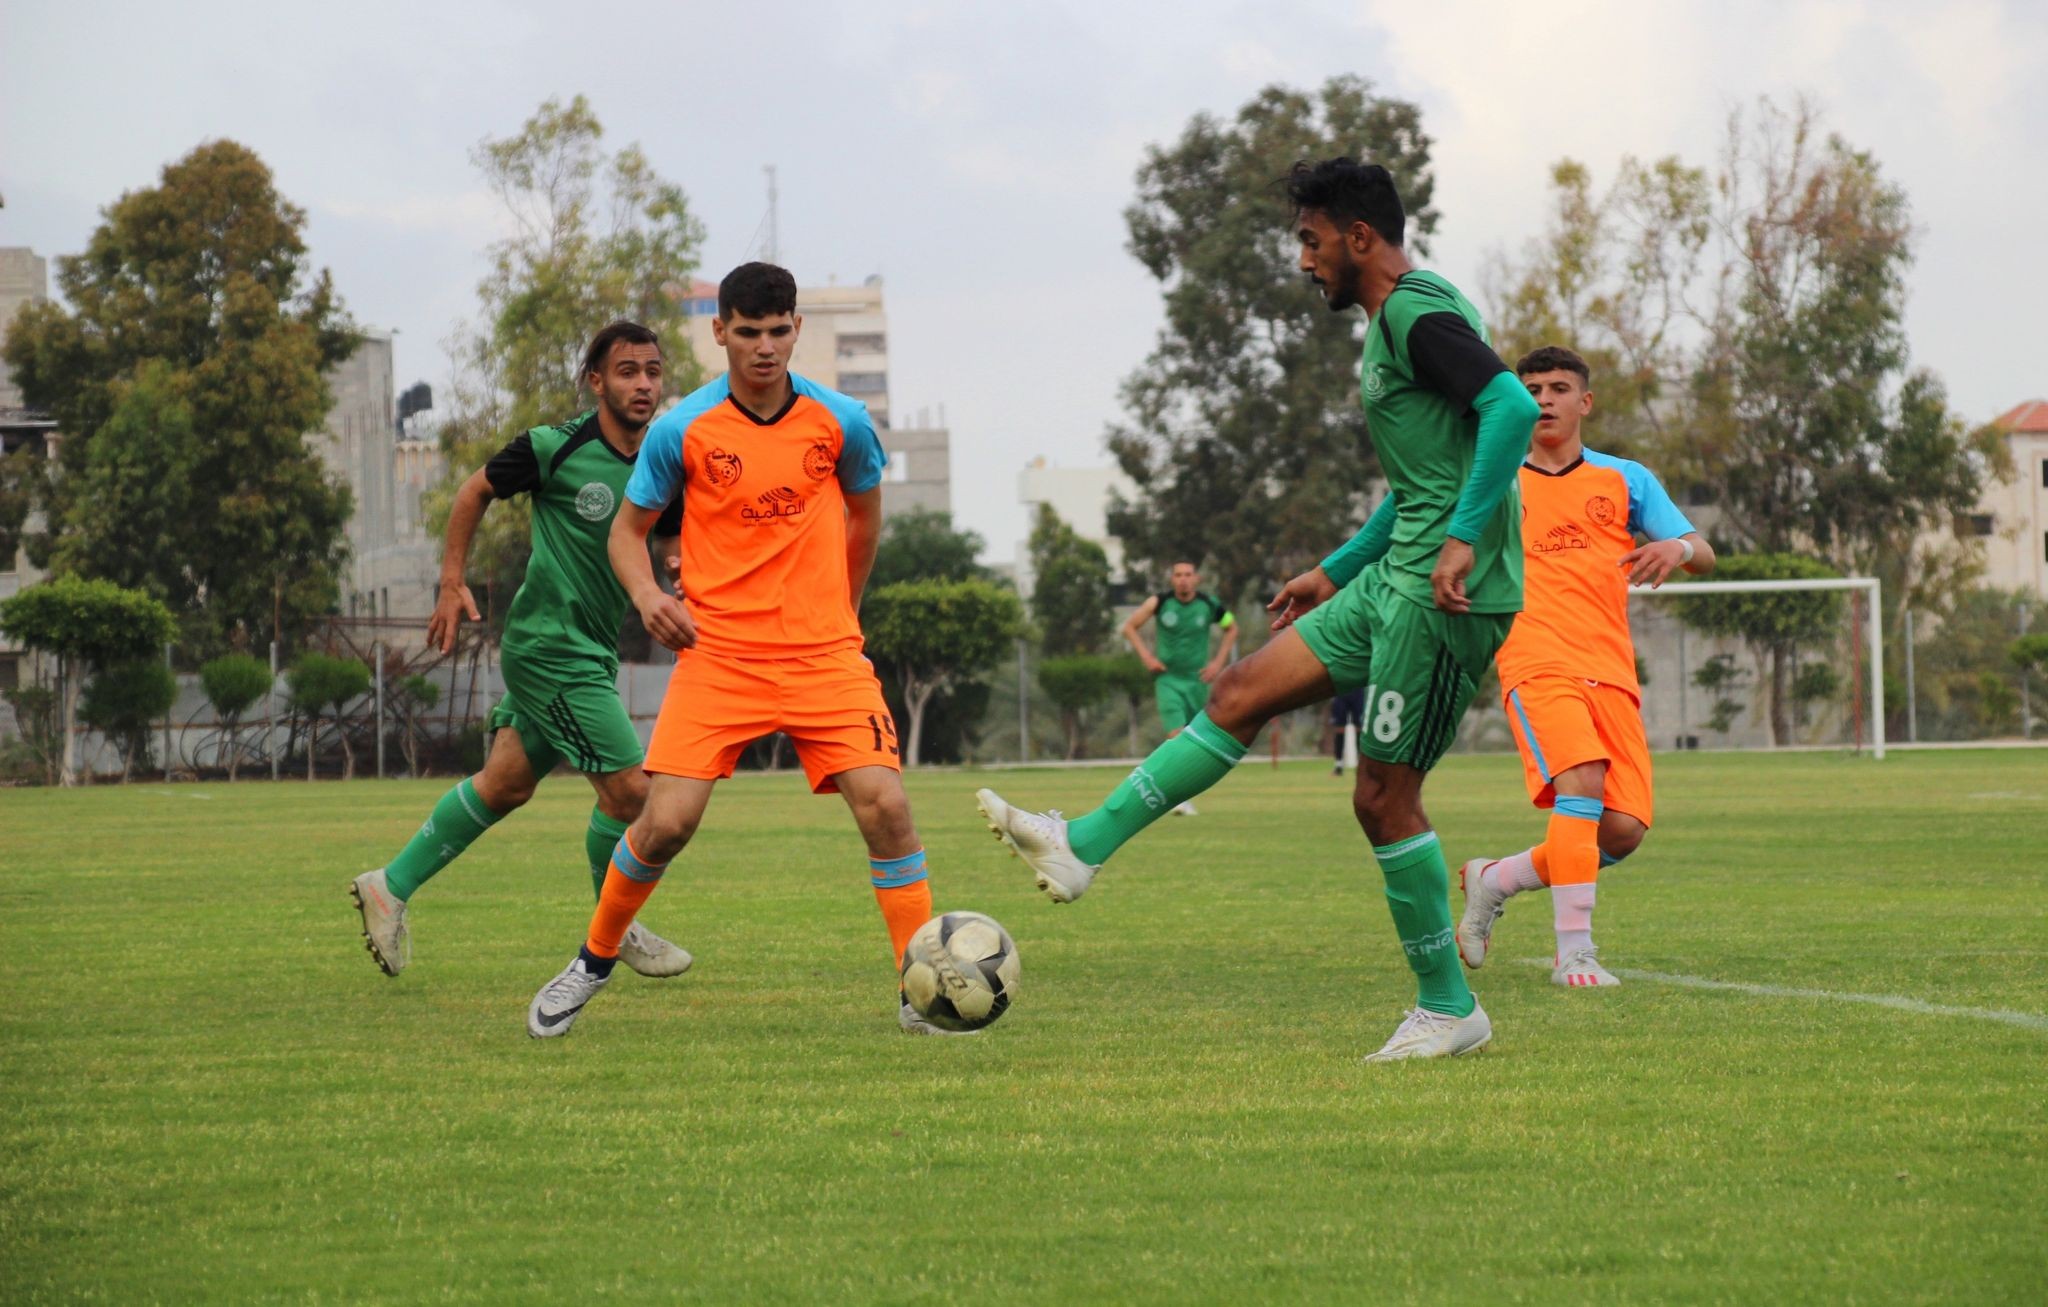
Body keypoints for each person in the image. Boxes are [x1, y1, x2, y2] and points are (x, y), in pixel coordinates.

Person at [976, 159, 1539, 1061]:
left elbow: (1510, 407)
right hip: (1393, 579)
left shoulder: (1414, 313)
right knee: (1237, 691)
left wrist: (1465, 538)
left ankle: (1449, 1007)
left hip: (1443, 600)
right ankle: (1081, 845)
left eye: (1312, 242)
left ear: (1360, 237)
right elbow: (1424, 480)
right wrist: (1335, 568)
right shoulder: (1405, 316)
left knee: (1383, 799)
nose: (1305, 261)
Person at [525, 262, 960, 1038]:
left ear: (797, 330)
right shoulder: (682, 429)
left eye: (779, 331)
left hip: (824, 655)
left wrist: (845, 611)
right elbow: (627, 534)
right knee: (665, 823)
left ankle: (917, 985)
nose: (765, 346)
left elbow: (865, 517)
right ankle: (593, 960)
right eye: (749, 331)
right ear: (720, 330)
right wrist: (649, 597)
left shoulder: (842, 421)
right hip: (720, 655)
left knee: (888, 807)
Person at [350, 321, 693, 980]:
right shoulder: (553, 447)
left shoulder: (660, 464)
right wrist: (451, 581)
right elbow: (473, 490)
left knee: (505, 784)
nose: (643, 384)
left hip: (589, 650)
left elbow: (673, 543)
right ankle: (615, 928)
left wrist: (685, 583)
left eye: (652, 372)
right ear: (596, 382)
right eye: (627, 371)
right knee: (631, 794)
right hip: (549, 648)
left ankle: (388, 887)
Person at [1456, 345, 1715, 987]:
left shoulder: (1625, 478)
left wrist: (1677, 549)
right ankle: (1574, 953)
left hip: (1611, 668)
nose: (1544, 399)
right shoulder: (1494, 481)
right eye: (1532, 389)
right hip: (1535, 658)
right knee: (1582, 783)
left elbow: (1703, 550)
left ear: (1585, 401)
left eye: (1558, 388)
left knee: (1621, 831)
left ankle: (1496, 879)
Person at [1119, 561, 1237, 814]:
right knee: (1176, 734)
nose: (1183, 579)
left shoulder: (1210, 605)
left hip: (1198, 681)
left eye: (1188, 574)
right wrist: (1147, 657)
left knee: (1196, 742)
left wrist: (1218, 662)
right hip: (1168, 679)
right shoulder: (1159, 603)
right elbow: (1129, 627)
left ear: (1196, 579)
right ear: (1172, 579)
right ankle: (1177, 798)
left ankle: (1180, 792)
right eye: (1178, 575)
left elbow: (1231, 627)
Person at [1328, 687, 1366, 776]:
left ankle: (1361, 766)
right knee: (1340, 729)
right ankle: (1338, 766)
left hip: (1357, 689)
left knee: (1359, 728)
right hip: (1341, 689)